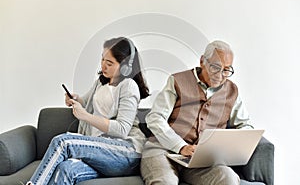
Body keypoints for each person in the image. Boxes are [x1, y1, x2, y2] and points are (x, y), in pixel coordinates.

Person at [26, 37, 149, 185]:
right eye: (102, 59)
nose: (103, 65)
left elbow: (122, 129)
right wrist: (75, 99)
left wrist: (85, 116)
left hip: (124, 153)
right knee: (66, 169)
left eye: (109, 63)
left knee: (63, 142)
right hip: (100, 153)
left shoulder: (128, 86)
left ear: (125, 67)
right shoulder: (101, 82)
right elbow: (86, 102)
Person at [140, 40, 253, 185]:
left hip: (200, 161)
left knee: (228, 178)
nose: (220, 75)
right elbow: (155, 118)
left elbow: (245, 127)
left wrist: (223, 147)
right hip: (163, 151)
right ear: (202, 61)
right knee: (165, 182)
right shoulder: (177, 81)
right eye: (215, 67)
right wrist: (181, 146)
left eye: (226, 70)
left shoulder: (232, 91)